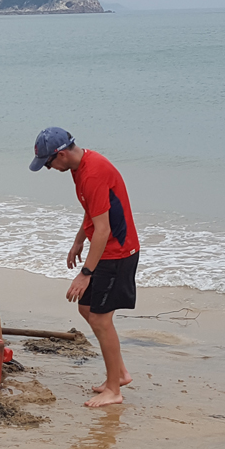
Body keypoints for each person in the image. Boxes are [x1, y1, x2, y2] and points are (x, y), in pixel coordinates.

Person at [30, 127, 139, 408]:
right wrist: (78, 240)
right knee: (87, 309)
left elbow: (102, 230)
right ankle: (120, 373)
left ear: (61, 154)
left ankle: (114, 390)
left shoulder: (91, 173)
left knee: (102, 319)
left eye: (49, 163)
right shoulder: (80, 168)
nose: (49, 169)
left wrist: (85, 274)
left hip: (117, 253)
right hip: (105, 250)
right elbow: (93, 211)